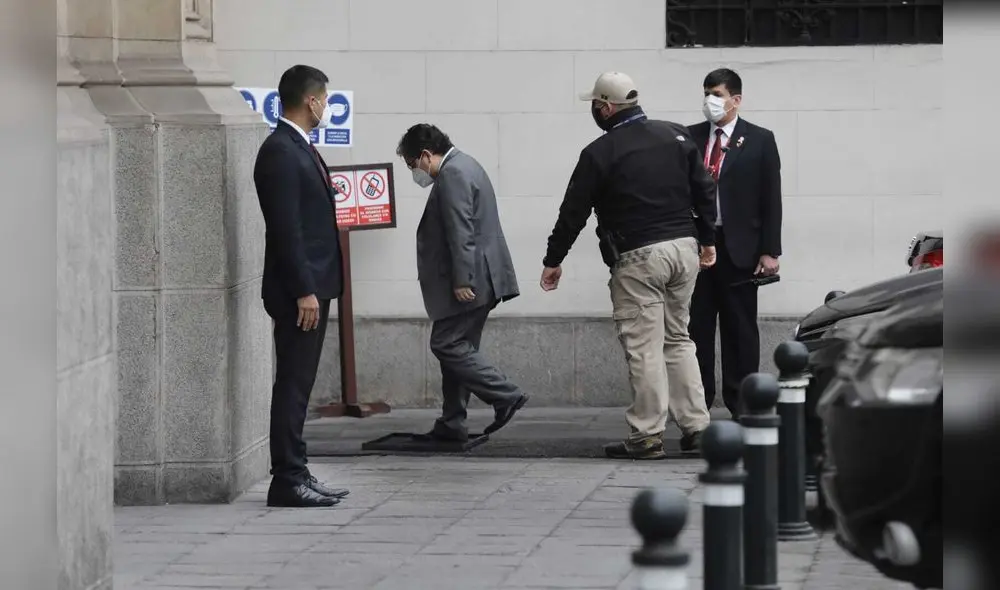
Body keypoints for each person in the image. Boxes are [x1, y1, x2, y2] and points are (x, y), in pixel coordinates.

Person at [540, 72, 716, 460]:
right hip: (684, 248)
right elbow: (704, 188)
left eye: (594, 105)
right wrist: (707, 240)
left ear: (606, 107)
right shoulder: (678, 135)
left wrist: (553, 260)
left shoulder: (599, 153)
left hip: (639, 255)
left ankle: (647, 436)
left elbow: (573, 212)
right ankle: (698, 428)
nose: (593, 111)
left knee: (644, 346)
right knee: (679, 339)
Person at [253, 65, 351, 508]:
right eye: (325, 99)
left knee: (300, 383)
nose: (327, 107)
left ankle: (297, 468)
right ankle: (286, 479)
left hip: (315, 286)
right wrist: (304, 290)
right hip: (301, 293)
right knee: (292, 384)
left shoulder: (298, 146)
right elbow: (286, 229)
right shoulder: (279, 150)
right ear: (310, 101)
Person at [397, 123, 529, 442]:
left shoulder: (453, 173)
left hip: (472, 278)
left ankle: (506, 395)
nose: (415, 172)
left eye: (413, 165)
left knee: (446, 344)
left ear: (426, 155)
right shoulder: (467, 163)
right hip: (484, 274)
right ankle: (452, 421)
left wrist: (462, 279)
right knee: (460, 348)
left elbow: (461, 230)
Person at [687, 68, 783, 420]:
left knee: (739, 328)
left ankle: (742, 404)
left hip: (740, 246)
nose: (709, 101)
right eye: (706, 93)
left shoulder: (759, 139)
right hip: (698, 246)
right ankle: (697, 406)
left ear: (735, 99)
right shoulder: (689, 137)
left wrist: (770, 250)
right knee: (695, 326)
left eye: (716, 94)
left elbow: (771, 198)